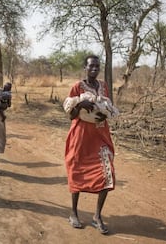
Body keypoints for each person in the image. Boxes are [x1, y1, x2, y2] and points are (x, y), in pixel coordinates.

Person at [62, 55, 115, 234]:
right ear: (85, 67)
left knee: (107, 171)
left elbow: (108, 106)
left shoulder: (103, 85)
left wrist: (104, 113)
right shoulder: (77, 87)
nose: (94, 68)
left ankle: (97, 216)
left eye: (97, 66)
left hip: (100, 134)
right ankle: (74, 213)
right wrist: (81, 104)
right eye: (91, 65)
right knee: (77, 171)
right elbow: (71, 114)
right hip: (81, 135)